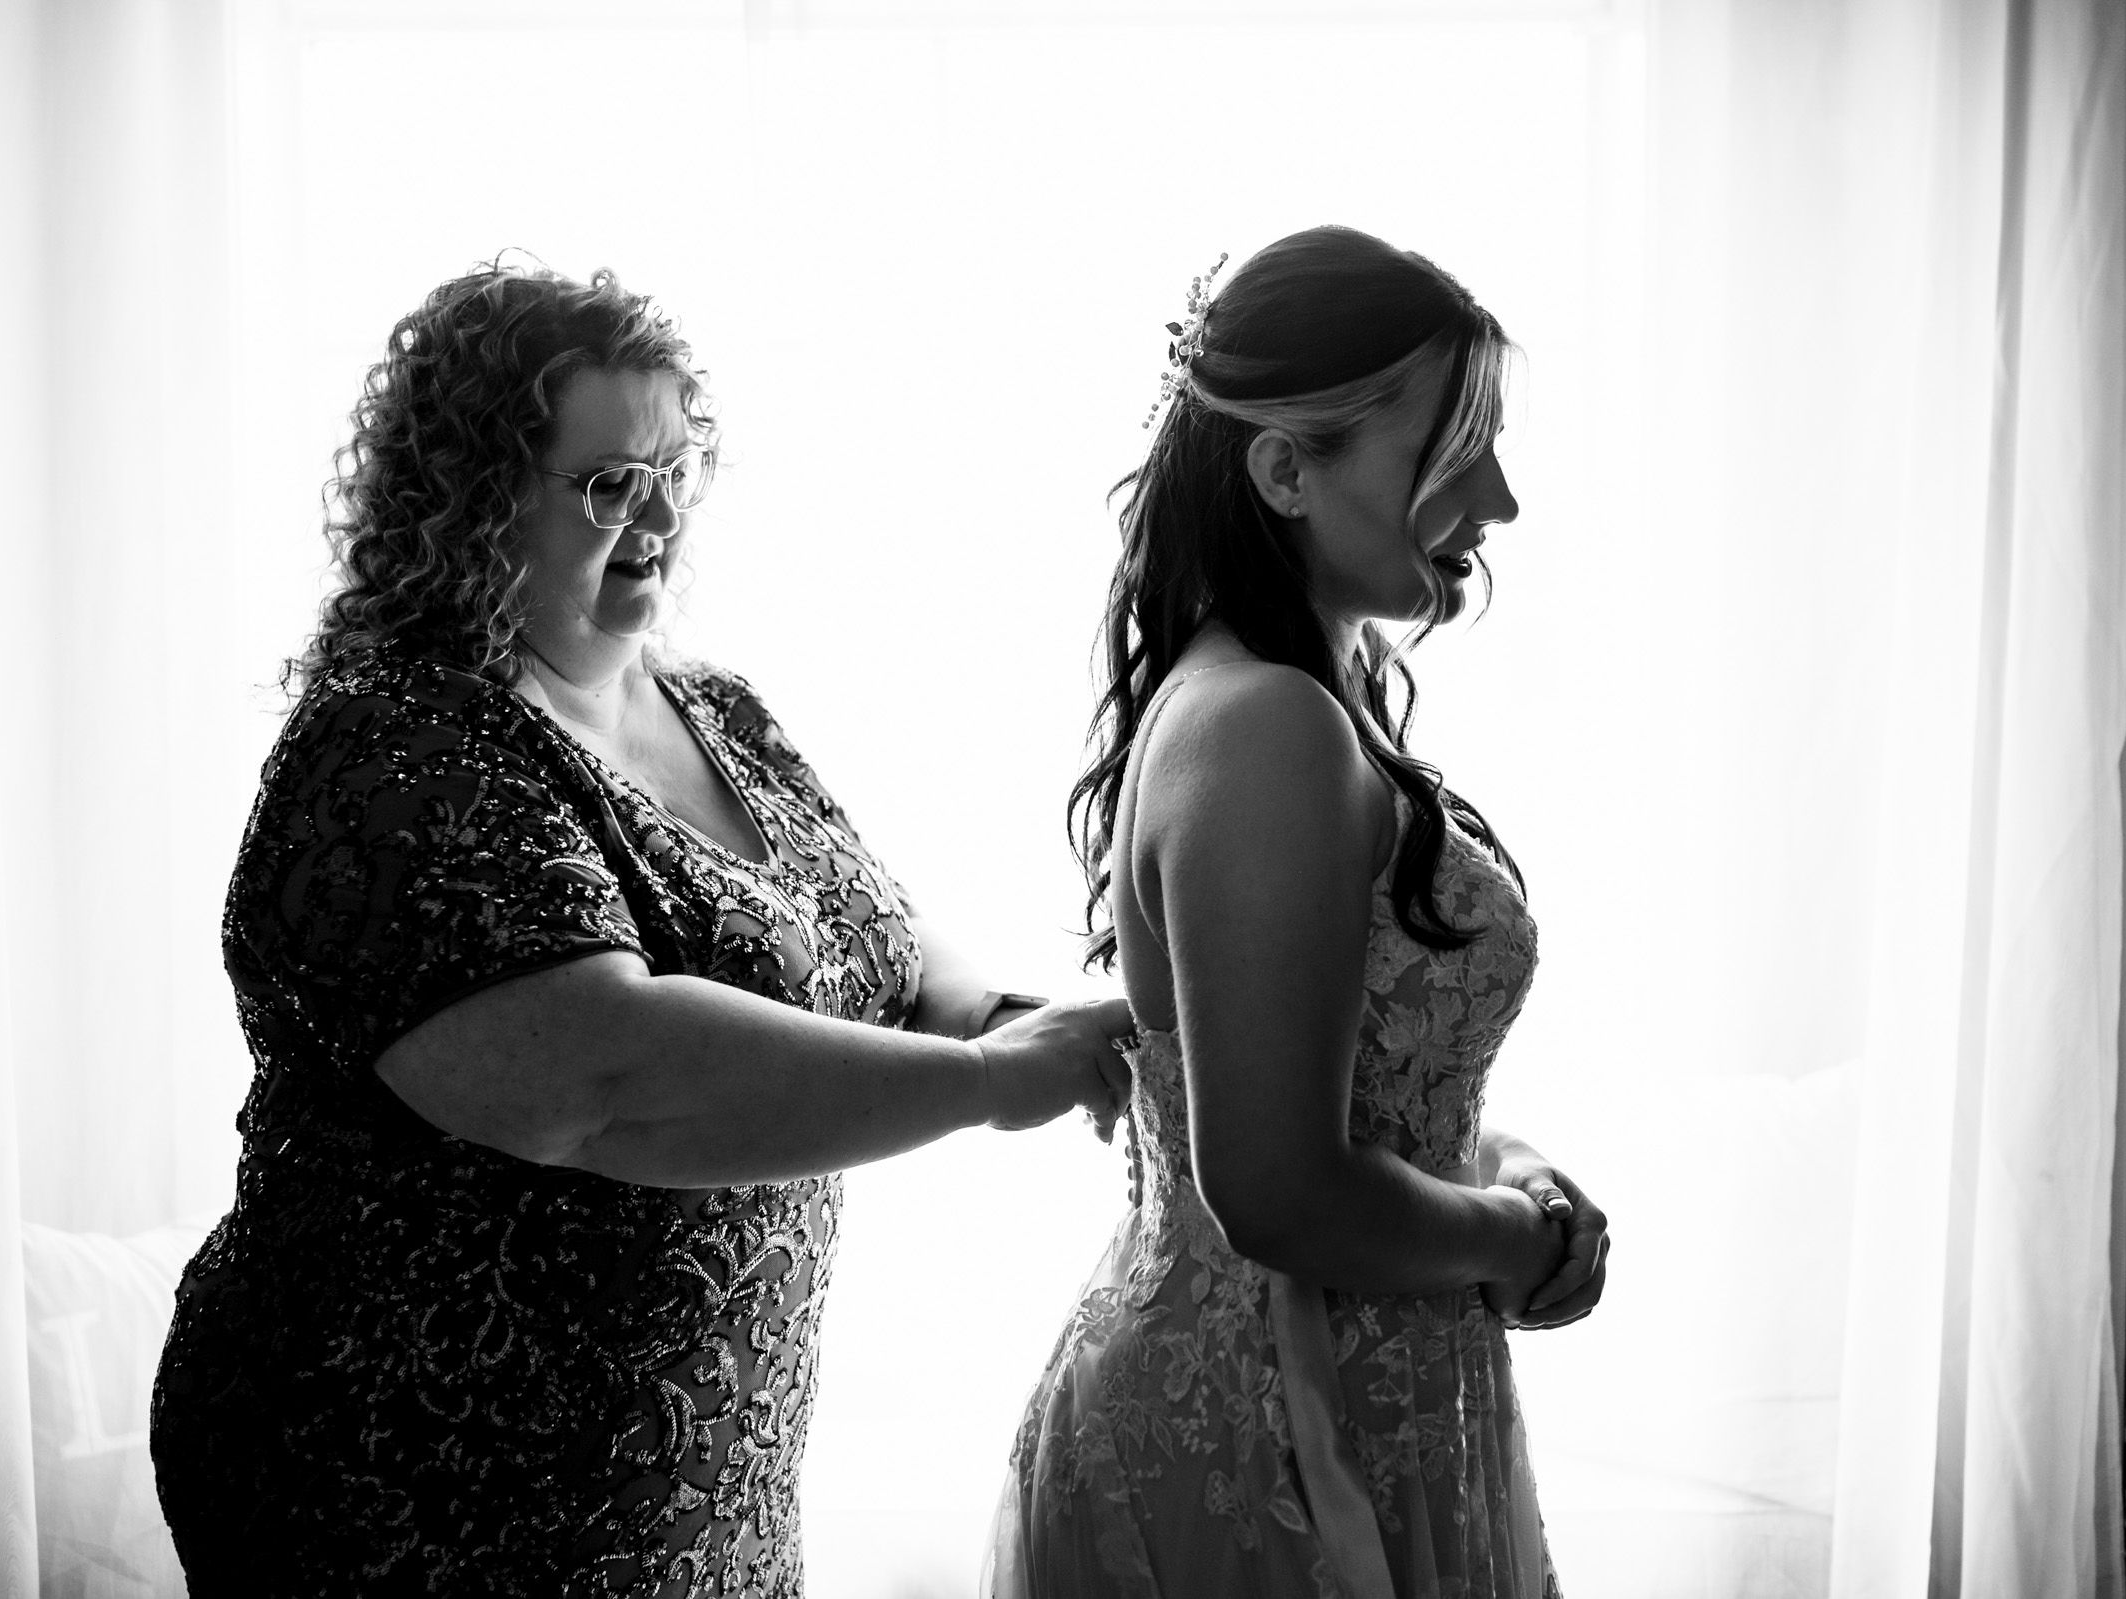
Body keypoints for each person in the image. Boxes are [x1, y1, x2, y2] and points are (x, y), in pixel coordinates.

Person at [150, 261, 1131, 1597]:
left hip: (686, 1486)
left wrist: (1000, 1016)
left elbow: (883, 943)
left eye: (681, 465)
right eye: (611, 483)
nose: (662, 512)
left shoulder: (714, 707)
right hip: (416, 1491)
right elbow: (597, 1078)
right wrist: (986, 1084)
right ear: (469, 504)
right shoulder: (402, 742)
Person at [988, 227, 1610, 1597]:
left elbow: (1357, 1099)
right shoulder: (1267, 725)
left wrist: (1509, 1172)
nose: (1497, 499)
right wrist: (1515, 1243)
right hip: (1265, 1450)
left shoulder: (1290, 700)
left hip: (1333, 1399)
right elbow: (1273, 1185)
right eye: (1454, 451)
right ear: (1284, 470)